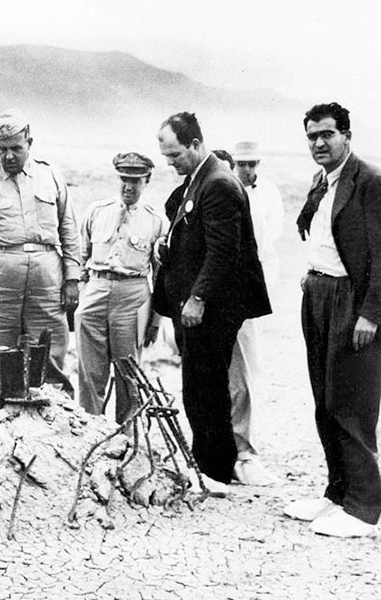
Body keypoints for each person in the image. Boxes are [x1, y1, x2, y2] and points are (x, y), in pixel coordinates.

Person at [153, 112, 271, 496]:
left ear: (195, 144)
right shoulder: (199, 179)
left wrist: (198, 297)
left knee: (206, 388)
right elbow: (189, 227)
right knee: (200, 386)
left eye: (175, 156)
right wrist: (166, 245)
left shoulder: (218, 182)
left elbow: (223, 252)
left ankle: (215, 469)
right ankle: (209, 462)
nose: (171, 164)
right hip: (193, 306)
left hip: (209, 307)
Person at [284, 102, 381, 537]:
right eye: (311, 136)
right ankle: (337, 493)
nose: (319, 143)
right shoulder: (321, 181)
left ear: (346, 135)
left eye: (327, 134)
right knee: (324, 399)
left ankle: (364, 509)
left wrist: (371, 314)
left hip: (352, 302)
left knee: (352, 403)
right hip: (320, 293)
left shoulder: (370, 182)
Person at [0, 109, 81, 411]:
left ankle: (52, 426)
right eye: (2, 149)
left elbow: (69, 229)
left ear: (29, 143)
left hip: (47, 279)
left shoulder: (51, 176)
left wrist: (73, 279)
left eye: (16, 148)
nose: (9, 156)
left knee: (49, 353)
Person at [75, 152, 165, 422]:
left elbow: (161, 277)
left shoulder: (155, 221)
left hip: (133, 295)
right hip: (97, 288)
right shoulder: (97, 212)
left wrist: (156, 320)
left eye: (136, 181)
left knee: (129, 372)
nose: (129, 186)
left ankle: (126, 436)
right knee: (89, 372)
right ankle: (90, 431)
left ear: (146, 181)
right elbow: (82, 257)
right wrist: (83, 292)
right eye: (124, 179)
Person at [227, 141, 284, 486]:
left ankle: (244, 451)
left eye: (252, 163)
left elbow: (267, 247)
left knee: (245, 375)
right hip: (219, 293)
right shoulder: (223, 189)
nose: (247, 169)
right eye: (241, 163)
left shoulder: (268, 196)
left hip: (246, 293)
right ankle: (222, 449)